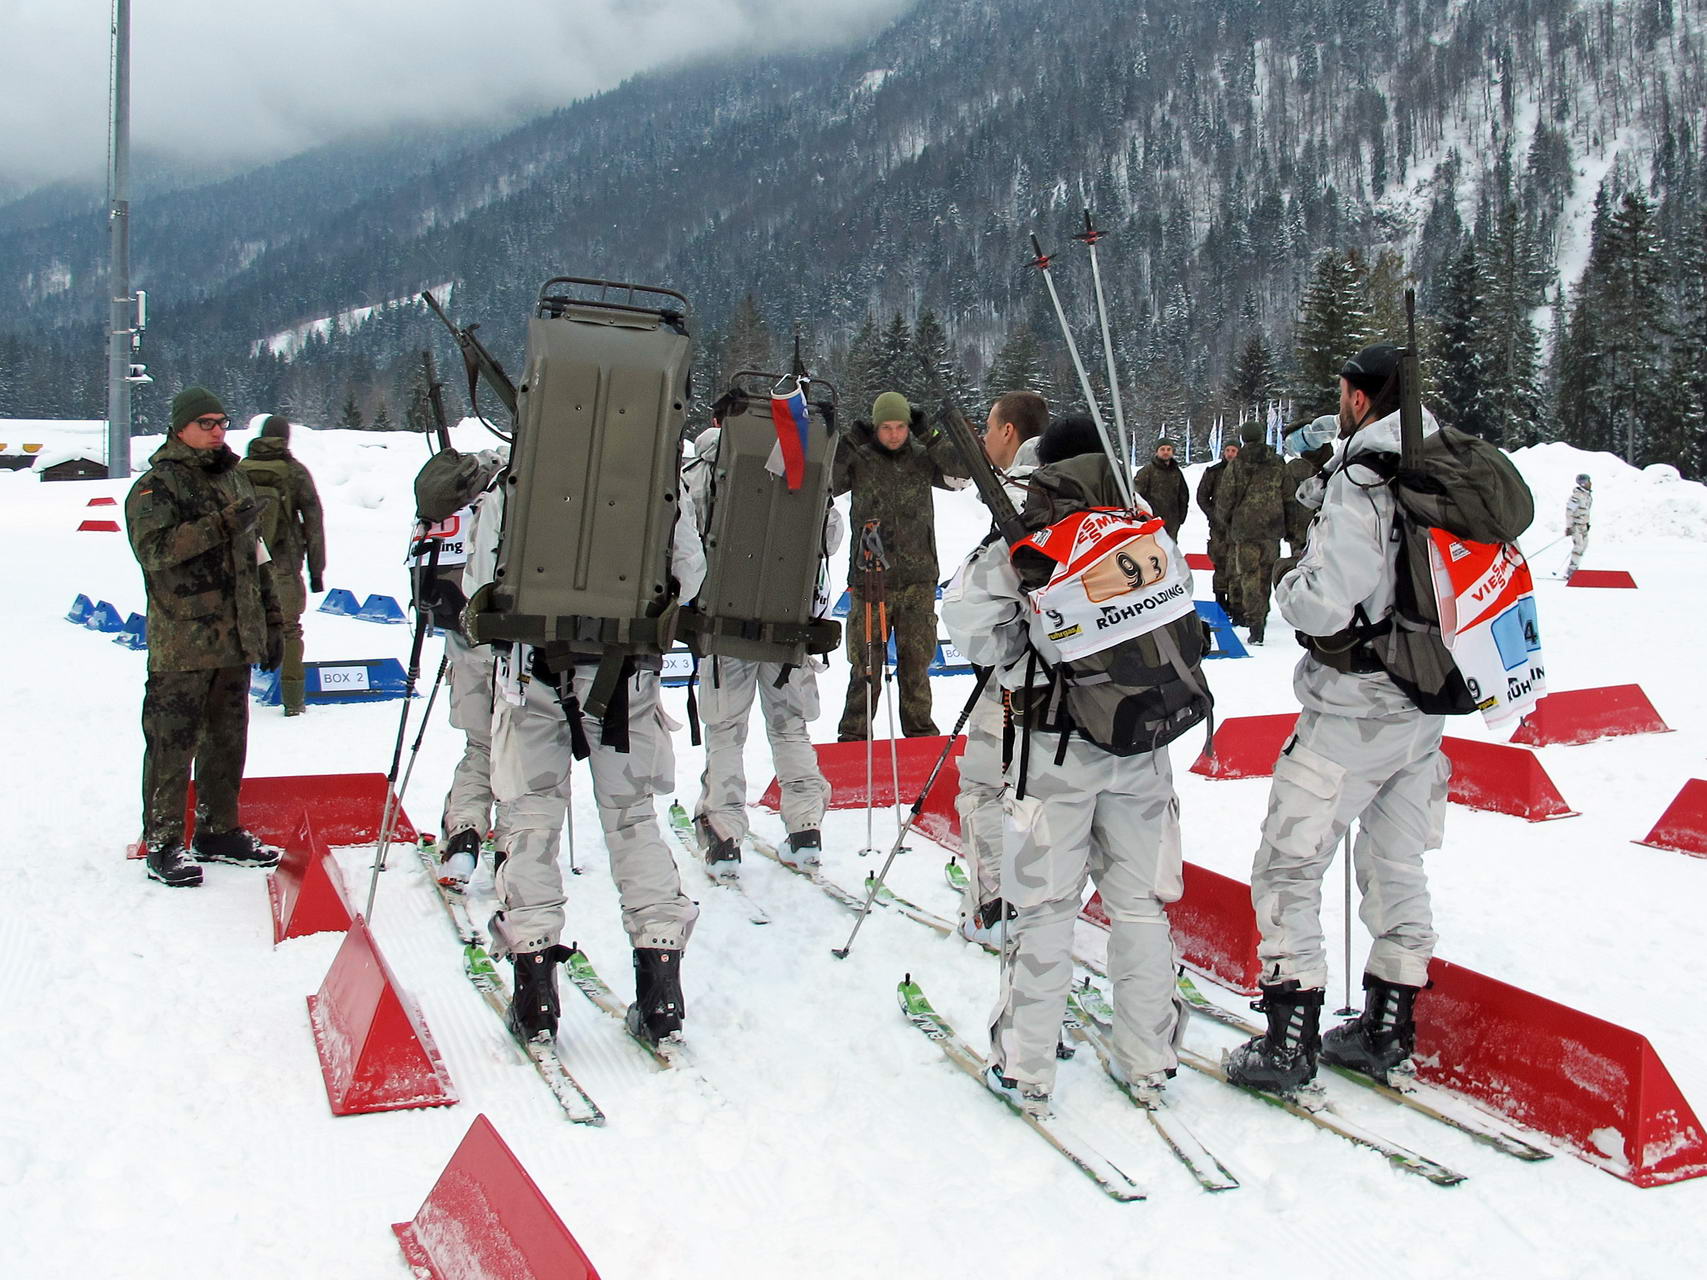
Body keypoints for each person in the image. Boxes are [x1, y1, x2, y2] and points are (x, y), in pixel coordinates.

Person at [942, 414, 1202, 1116]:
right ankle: (1148, 1057)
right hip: (1143, 739)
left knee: (1044, 904)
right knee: (1138, 901)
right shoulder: (1142, 524)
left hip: (1052, 746)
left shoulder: (1026, 533)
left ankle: (1027, 1065)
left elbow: (968, 626)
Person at [1226, 343, 1452, 1094]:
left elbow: (1328, 596)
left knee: (1287, 862)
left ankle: (1290, 1034)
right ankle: (1388, 1023)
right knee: (1395, 861)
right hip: (1423, 700)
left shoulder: (1364, 479)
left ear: (1359, 399)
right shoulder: (1443, 468)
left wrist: (1290, 587)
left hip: (1353, 704)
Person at [464, 462, 707, 1046]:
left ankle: (535, 995)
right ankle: (661, 994)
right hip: (625, 681)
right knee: (633, 823)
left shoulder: (515, 482)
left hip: (532, 677)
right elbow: (690, 577)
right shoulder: (660, 484)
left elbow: (480, 579)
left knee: (530, 823)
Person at [126, 386, 283, 887]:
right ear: (180, 427)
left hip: (234, 637)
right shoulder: (157, 486)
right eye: (207, 423)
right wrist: (218, 524)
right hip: (183, 640)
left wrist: (272, 619)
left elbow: (256, 555)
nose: (218, 430)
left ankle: (219, 829)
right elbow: (156, 551)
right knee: (173, 744)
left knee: (227, 739)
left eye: (222, 421)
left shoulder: (232, 479)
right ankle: (165, 840)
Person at [684, 411, 840, 874]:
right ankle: (805, 826)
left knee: (726, 731)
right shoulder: (808, 470)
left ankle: (724, 833)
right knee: (789, 727)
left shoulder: (702, 473)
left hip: (725, 623)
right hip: (788, 622)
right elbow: (829, 538)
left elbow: (685, 545)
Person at [952, 389, 1047, 943]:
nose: (986, 438)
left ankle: (997, 902)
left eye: (989, 427)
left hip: (1020, 677)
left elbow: (973, 608)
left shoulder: (1019, 497)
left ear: (1009, 432)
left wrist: (1001, 648)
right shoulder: (1087, 491)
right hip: (1088, 681)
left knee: (984, 785)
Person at [832, 391, 973, 741]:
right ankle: (854, 737)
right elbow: (825, 483)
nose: (894, 434)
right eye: (886, 427)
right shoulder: (860, 459)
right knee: (865, 666)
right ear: (875, 428)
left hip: (918, 580)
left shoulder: (923, 456)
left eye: (900, 427)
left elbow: (963, 473)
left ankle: (921, 736)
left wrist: (931, 435)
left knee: (916, 665)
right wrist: (849, 443)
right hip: (870, 580)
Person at [408, 446, 509, 887]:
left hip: (463, 639)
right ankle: (510, 847)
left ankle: (464, 834)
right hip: (512, 644)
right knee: (519, 753)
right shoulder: (513, 491)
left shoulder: (449, 499)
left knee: (480, 747)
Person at [239, 415, 326, 716]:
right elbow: (314, 522)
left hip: (244, 564)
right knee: (290, 630)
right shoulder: (295, 472)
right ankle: (293, 701)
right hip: (285, 563)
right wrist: (317, 571)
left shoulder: (239, 471)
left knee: (241, 627)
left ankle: (236, 699)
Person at [1216, 421, 1287, 644]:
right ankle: (1262, 617)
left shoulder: (1237, 465)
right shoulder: (1277, 462)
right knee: (1266, 576)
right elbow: (1288, 495)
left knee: (1248, 576)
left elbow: (1225, 498)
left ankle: (1254, 623)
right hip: (1272, 529)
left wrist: (1226, 521)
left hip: (1245, 529)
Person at [1195, 441, 1238, 618]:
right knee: (1220, 562)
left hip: (1238, 526)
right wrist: (1214, 515)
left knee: (1237, 565)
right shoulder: (1213, 472)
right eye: (1227, 450)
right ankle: (1220, 601)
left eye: (1233, 451)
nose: (1230, 454)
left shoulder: (1244, 471)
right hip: (1219, 527)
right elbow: (1202, 496)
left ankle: (1236, 603)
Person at [1131, 437, 1190, 542]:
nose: (1166, 452)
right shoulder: (1147, 471)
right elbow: (1136, 496)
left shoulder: (1176, 472)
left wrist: (1181, 517)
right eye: (1162, 449)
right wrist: (1142, 519)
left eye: (1168, 449)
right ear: (1156, 452)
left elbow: (1183, 495)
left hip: (1172, 523)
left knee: (1170, 553)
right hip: (1151, 522)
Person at [1564, 473, 1593, 578]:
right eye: (1588, 481)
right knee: (1578, 547)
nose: (1590, 483)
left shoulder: (1587, 496)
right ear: (1584, 483)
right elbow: (1569, 511)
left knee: (1584, 546)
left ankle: (1575, 567)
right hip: (1576, 526)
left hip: (1584, 526)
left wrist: (1587, 523)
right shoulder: (1576, 496)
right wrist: (1569, 526)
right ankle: (1571, 571)